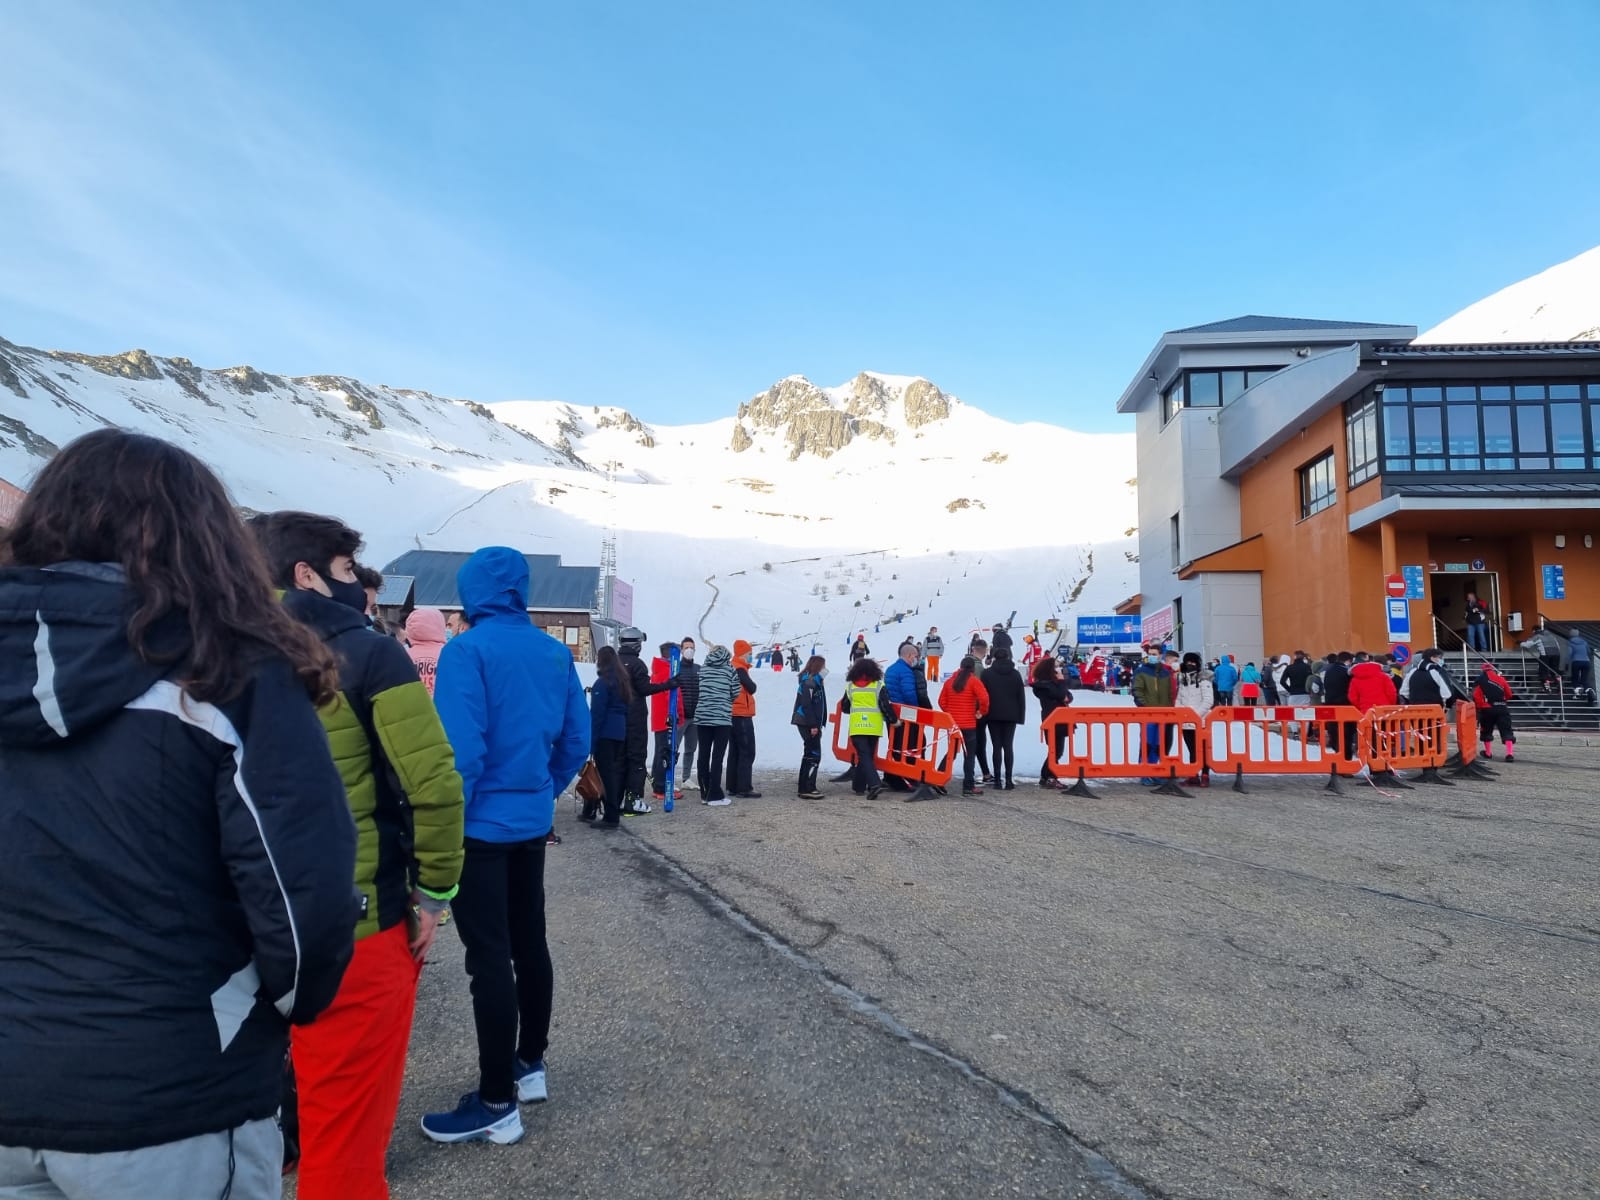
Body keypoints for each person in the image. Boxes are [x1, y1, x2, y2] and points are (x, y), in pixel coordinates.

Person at [0, 431, 357, 1200]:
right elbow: (308, 906)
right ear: (206, 540)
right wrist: (283, 1009)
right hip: (173, 1093)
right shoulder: (227, 668)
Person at [254, 511, 466, 1192]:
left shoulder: (209, 651)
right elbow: (433, 784)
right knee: (345, 1149)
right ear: (305, 575)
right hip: (355, 925)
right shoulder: (369, 653)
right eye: (347, 571)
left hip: (238, 928)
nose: (360, 589)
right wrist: (434, 893)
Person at [423, 547, 588, 1145]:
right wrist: (544, 790)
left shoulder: (466, 651)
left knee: (487, 958)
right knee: (529, 942)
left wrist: (443, 827)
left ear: (470, 592)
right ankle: (529, 1063)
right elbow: (576, 737)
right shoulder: (552, 650)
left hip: (480, 828)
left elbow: (460, 755)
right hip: (527, 823)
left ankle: (496, 1100)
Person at [618, 627, 675, 816]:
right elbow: (644, 688)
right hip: (635, 717)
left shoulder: (614, 662)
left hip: (616, 718)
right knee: (636, 757)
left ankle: (617, 799)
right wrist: (668, 684)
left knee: (619, 759)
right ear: (636, 644)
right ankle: (633, 799)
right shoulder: (637, 664)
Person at [586, 646, 632, 827]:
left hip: (605, 733)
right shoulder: (622, 682)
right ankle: (603, 810)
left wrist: (591, 743)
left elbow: (597, 715)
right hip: (619, 733)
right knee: (611, 773)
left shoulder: (602, 684)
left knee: (605, 776)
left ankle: (611, 816)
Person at [839, 657, 898, 798]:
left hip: (857, 727)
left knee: (864, 756)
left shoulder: (851, 687)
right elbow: (885, 705)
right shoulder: (878, 685)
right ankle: (858, 786)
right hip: (873, 727)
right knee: (866, 756)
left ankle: (874, 784)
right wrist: (893, 720)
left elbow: (845, 707)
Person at [884, 640, 932, 792]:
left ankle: (892, 777)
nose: (917, 659)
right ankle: (907, 778)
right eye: (916, 656)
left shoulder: (891, 669)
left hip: (893, 713)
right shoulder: (906, 671)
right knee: (909, 746)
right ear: (910, 655)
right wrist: (919, 711)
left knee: (895, 746)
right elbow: (909, 693)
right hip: (906, 715)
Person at [938, 655, 990, 794]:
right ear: (972, 668)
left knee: (952, 753)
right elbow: (984, 698)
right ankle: (968, 786)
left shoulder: (949, 682)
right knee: (969, 755)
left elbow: (941, 701)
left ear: (960, 667)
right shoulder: (973, 681)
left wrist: (949, 713)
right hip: (969, 725)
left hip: (954, 725)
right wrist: (981, 712)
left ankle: (938, 778)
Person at [695, 645, 738, 807]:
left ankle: (704, 793)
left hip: (703, 717)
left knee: (703, 755)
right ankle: (715, 794)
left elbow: (700, 689)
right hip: (721, 718)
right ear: (726, 656)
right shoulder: (730, 670)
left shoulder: (703, 669)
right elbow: (735, 691)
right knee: (717, 756)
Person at [980, 648, 1026, 790]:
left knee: (996, 747)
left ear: (994, 658)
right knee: (1008, 746)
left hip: (993, 715)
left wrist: (983, 715)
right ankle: (1009, 780)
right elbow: (1021, 697)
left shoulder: (987, 674)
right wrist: (1020, 717)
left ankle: (997, 781)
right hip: (1011, 715)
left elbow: (983, 696)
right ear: (1008, 657)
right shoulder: (1015, 674)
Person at [1132, 648, 1176, 783]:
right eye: (1150, 654)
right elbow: (1137, 690)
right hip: (1148, 713)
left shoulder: (1165, 673)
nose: (1151, 656)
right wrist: (1143, 706)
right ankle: (1144, 773)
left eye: (1154, 654)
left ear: (1160, 656)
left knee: (1158, 744)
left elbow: (1170, 693)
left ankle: (1154, 770)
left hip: (1163, 713)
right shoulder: (1141, 671)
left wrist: (1169, 709)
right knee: (1147, 743)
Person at [649, 642, 684, 803]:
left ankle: (659, 785)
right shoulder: (667, 672)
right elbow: (671, 697)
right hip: (666, 719)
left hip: (660, 719)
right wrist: (678, 714)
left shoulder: (659, 670)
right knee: (665, 752)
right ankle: (662, 786)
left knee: (660, 751)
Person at [1030, 657, 1073, 790]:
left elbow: (1068, 696)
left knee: (1056, 751)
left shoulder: (1050, 684)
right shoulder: (1044, 686)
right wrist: (1061, 682)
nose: (1058, 670)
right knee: (1056, 751)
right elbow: (1061, 694)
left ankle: (1046, 776)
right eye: (1055, 667)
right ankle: (1050, 777)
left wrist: (1063, 693)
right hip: (1053, 720)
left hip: (1059, 719)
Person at [727, 639, 761, 798]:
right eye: (749, 654)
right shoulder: (739, 668)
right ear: (742, 654)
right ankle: (744, 787)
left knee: (735, 751)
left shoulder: (731, 666)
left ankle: (732, 785)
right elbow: (751, 687)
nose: (751, 657)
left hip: (732, 714)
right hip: (741, 713)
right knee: (747, 750)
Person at [1174, 652, 1214, 786]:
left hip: (1200, 721)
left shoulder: (1204, 679)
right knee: (1191, 749)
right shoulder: (1183, 680)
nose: (1190, 664)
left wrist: (1195, 716)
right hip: (1186, 722)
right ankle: (1193, 774)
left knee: (1202, 749)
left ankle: (1205, 775)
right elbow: (1179, 699)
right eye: (1188, 662)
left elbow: (1208, 701)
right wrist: (1180, 714)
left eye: (1193, 662)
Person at [792, 655, 828, 798]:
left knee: (810, 753)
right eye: (824, 666)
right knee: (813, 754)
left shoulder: (815, 682)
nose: (825, 670)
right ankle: (807, 788)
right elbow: (807, 705)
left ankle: (806, 786)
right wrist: (813, 725)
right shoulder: (809, 683)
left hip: (811, 722)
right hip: (807, 723)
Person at [1473, 664, 1516, 762]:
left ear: (1483, 670)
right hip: (1502, 708)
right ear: (1493, 670)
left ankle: (1488, 753)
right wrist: (1502, 700)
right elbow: (1509, 694)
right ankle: (1509, 754)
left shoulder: (1480, 680)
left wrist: (1482, 706)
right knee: (1507, 730)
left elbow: (1476, 696)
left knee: (1486, 730)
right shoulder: (1501, 679)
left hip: (1488, 708)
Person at [675, 637, 701, 788]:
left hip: (695, 717)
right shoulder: (676, 667)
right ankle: (670, 778)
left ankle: (686, 778)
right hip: (680, 717)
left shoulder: (699, 669)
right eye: (686, 648)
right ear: (681, 650)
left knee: (691, 748)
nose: (689, 650)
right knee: (674, 749)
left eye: (692, 647)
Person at [406, 606, 449, 696]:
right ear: (440, 625)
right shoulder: (448, 654)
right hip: (440, 707)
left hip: (411, 706)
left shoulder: (403, 655)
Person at [1569, 629, 1592, 695]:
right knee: (1584, 680)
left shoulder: (1570, 642)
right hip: (1586, 662)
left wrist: (1567, 663)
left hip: (1576, 662)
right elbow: (1588, 652)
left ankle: (1577, 693)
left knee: (1575, 678)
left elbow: (1569, 654)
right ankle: (1589, 691)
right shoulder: (1584, 642)